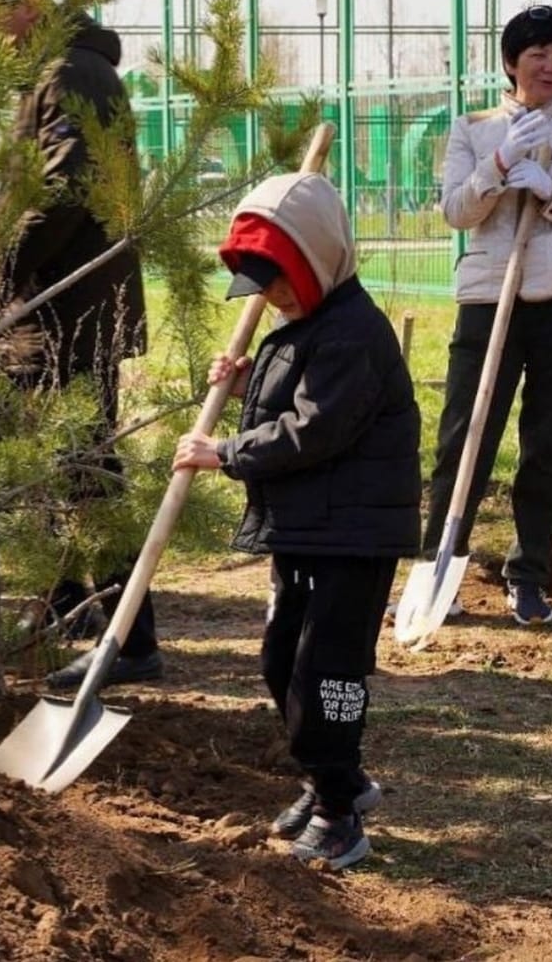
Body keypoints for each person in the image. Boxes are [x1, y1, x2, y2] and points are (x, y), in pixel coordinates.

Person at [171, 171, 421, 869]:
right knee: (283, 660)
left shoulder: (353, 334)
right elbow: (296, 393)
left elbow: (316, 427)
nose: (272, 297)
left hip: (355, 534)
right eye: (263, 286)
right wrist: (252, 380)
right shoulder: (305, 323)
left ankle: (341, 814)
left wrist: (223, 451)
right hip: (311, 528)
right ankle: (332, 778)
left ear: (317, 258)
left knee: (331, 676)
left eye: (280, 281)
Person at [0, 0, 159, 689]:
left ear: (25, 1)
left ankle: (131, 636)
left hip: (68, 303)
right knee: (49, 467)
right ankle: (76, 609)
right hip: (48, 303)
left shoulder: (72, 71)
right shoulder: (48, 70)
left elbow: (65, 189)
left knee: (83, 467)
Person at [424, 3, 552, 627]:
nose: (551, 67)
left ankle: (528, 575)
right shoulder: (474, 127)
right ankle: (438, 567)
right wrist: (502, 165)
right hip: (487, 299)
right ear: (512, 64)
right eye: (538, 55)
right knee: (465, 436)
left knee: (549, 445)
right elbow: (455, 210)